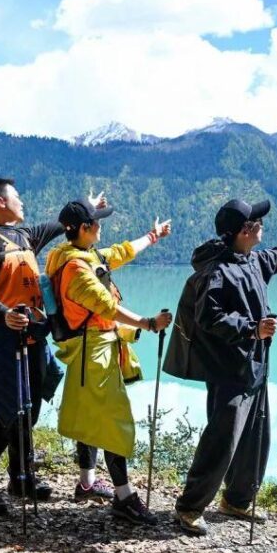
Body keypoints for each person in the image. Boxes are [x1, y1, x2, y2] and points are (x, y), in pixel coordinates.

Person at [164, 199, 277, 536]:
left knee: (256, 435)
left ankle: (237, 500)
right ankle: (188, 507)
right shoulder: (217, 272)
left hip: (255, 364)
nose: (262, 227)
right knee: (222, 437)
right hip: (228, 369)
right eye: (258, 222)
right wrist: (251, 329)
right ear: (244, 230)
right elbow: (208, 317)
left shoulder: (254, 260)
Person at [0, 178, 100, 516]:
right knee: (0, 412)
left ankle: (21, 478)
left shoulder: (24, 236)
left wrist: (88, 207)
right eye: (17, 196)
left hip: (32, 337)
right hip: (1, 338)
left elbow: (60, 224)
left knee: (29, 409)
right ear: (0, 201)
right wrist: (4, 313)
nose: (22, 202)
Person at [44, 198, 172, 525]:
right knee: (114, 421)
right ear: (85, 228)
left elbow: (121, 252)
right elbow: (106, 306)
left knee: (90, 415)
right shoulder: (76, 269)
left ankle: (87, 483)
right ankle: (124, 498)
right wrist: (147, 323)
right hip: (95, 353)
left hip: (93, 347)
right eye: (97, 222)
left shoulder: (77, 254)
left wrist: (153, 236)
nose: (101, 226)